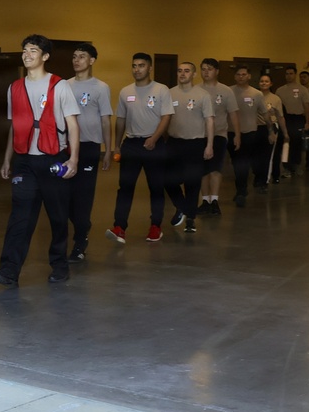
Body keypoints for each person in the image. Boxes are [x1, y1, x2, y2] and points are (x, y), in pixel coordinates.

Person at [0, 35, 80, 287]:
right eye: (25, 50)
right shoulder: (14, 88)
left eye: (33, 50)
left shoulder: (59, 86)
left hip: (54, 159)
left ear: (45, 56)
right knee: (20, 217)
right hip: (25, 162)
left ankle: (60, 265)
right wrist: (7, 159)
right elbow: (15, 127)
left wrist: (73, 159)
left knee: (58, 217)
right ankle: (9, 270)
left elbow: (73, 125)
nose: (27, 54)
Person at [106, 53, 173, 244]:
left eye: (141, 65)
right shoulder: (125, 91)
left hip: (155, 144)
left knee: (156, 187)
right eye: (134, 66)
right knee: (125, 187)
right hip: (132, 145)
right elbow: (121, 119)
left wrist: (154, 138)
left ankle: (155, 226)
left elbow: (166, 117)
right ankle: (119, 227)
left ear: (149, 68)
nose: (137, 69)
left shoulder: (161, 90)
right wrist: (116, 145)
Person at [65, 43, 112, 263]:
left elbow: (105, 119)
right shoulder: (64, 85)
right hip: (66, 148)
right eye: (74, 56)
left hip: (90, 147)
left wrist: (108, 149)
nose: (77, 60)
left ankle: (80, 240)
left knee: (83, 196)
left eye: (82, 57)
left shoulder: (100, 87)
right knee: (65, 197)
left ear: (91, 61)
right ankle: (79, 226)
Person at [164, 62, 214, 234]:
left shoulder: (202, 95)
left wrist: (209, 145)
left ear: (194, 74)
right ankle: (182, 207)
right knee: (168, 179)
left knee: (192, 183)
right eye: (179, 71)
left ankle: (190, 220)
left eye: (187, 71)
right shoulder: (169, 93)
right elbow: (163, 118)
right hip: (174, 143)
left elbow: (209, 120)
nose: (182, 74)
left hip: (195, 143)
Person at [197, 58, 240, 214]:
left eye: (209, 69)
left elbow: (233, 114)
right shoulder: (196, 90)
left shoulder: (226, 91)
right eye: (203, 69)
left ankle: (214, 200)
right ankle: (205, 201)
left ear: (217, 71)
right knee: (202, 170)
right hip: (200, 136)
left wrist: (237, 135)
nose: (206, 72)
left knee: (215, 169)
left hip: (219, 134)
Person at [230, 66, 271, 197]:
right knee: (236, 162)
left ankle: (241, 190)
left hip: (249, 133)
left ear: (249, 76)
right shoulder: (228, 92)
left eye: (243, 74)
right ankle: (240, 186)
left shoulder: (256, 94)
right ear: (235, 76)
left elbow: (265, 114)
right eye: (238, 74)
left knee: (244, 161)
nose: (241, 77)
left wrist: (271, 131)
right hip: (231, 133)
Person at [275, 66, 309, 177]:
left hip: (298, 118)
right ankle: (286, 167)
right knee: (285, 143)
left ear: (295, 75)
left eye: (291, 73)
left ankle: (296, 165)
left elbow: (307, 106)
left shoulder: (303, 90)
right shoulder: (280, 90)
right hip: (285, 119)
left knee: (296, 143)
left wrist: (307, 121)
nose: (288, 76)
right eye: (287, 73)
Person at [258, 74, 285, 186]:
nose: (264, 83)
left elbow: (280, 116)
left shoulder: (275, 98)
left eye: (266, 81)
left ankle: (267, 179)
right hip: (256, 127)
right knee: (257, 154)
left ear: (271, 84)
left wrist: (285, 132)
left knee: (270, 155)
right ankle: (258, 176)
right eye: (262, 81)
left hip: (271, 127)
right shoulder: (255, 95)